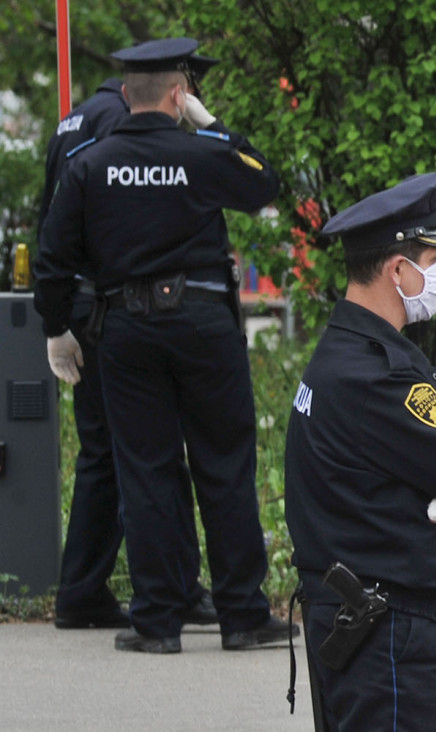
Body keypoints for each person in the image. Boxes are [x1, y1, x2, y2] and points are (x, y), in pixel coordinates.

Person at [34, 37, 296, 654]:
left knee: (145, 470)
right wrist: (216, 127)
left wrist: (55, 328)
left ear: (126, 96)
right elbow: (267, 185)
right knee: (225, 466)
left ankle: (155, 623)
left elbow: (52, 257)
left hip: (126, 331)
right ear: (180, 97)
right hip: (204, 327)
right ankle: (241, 616)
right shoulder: (202, 153)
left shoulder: (92, 161)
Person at [283, 172, 436, 730]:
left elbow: (424, 466)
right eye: (432, 262)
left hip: (357, 621)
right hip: (387, 635)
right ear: (398, 270)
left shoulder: (339, 355)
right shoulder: (378, 379)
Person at [38, 73, 217, 631]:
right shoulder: (126, 128)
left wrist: (57, 318)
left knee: (103, 455)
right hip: (120, 310)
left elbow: (51, 221)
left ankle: (83, 590)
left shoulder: (72, 122)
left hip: (82, 309)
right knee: (152, 457)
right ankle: (174, 589)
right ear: (173, 90)